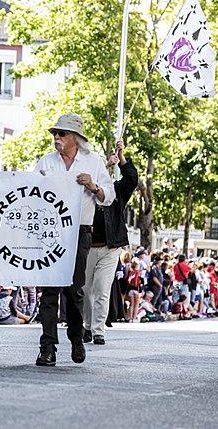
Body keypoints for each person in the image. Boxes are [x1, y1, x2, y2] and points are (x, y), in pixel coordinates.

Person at [33, 114, 115, 367]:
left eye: (62, 133)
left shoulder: (93, 161)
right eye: (55, 133)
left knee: (74, 289)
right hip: (49, 232)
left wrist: (92, 186)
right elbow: (30, 190)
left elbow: (108, 197)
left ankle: (76, 338)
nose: (56, 137)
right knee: (48, 291)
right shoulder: (46, 162)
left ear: (76, 138)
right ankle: (47, 346)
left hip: (80, 232)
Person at [82, 139, 138, 345]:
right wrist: (103, 167)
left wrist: (122, 157)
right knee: (86, 290)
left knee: (102, 290)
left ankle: (98, 330)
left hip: (110, 248)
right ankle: (86, 326)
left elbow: (132, 179)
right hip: (87, 247)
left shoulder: (117, 191)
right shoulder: (85, 189)